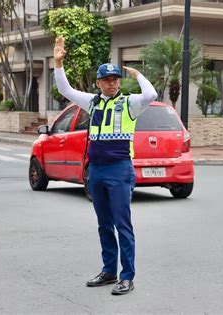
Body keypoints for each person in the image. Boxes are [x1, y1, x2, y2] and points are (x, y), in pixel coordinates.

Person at [53, 36, 157, 295]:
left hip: (120, 169)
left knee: (123, 224)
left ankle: (127, 276)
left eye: (115, 79)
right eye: (107, 80)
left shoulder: (130, 103)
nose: (112, 83)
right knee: (103, 224)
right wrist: (58, 63)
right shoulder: (92, 102)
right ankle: (109, 270)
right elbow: (65, 90)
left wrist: (138, 73)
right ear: (98, 83)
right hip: (96, 170)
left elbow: (152, 94)